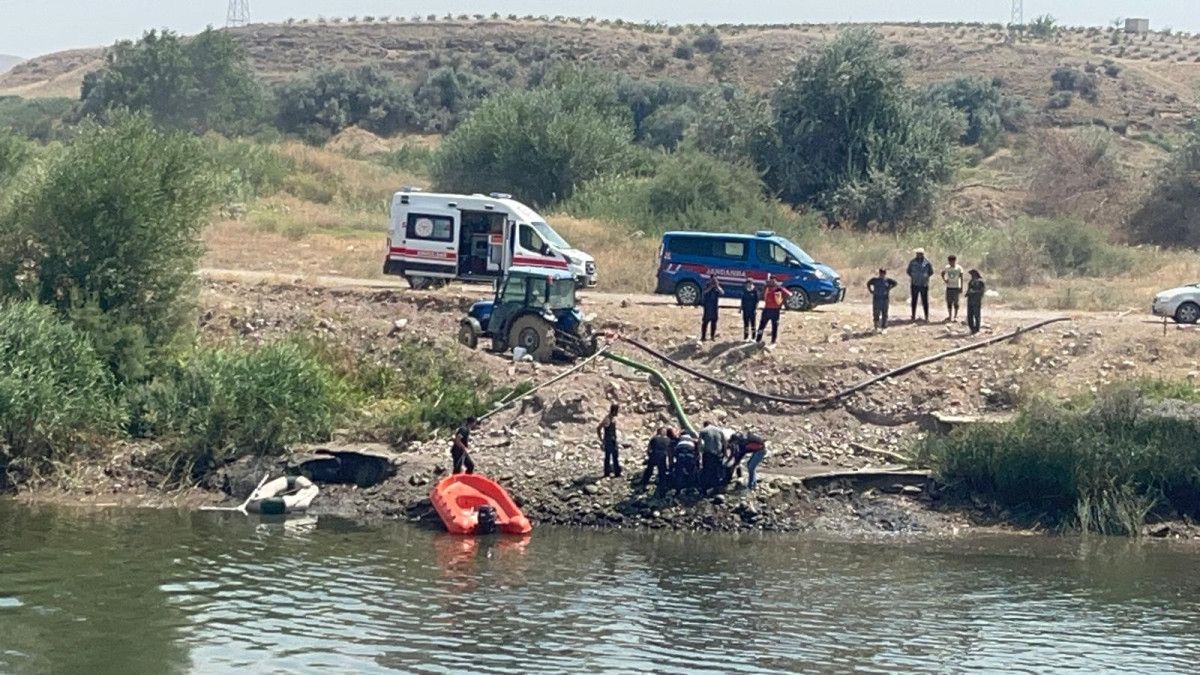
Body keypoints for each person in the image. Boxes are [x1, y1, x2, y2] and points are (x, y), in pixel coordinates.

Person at [755, 277, 792, 345]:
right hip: (767, 309)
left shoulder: (778, 288)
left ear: (776, 282)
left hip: (775, 310)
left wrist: (782, 301)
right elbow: (761, 296)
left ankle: (773, 341)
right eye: (770, 281)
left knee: (774, 327)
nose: (772, 282)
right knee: (761, 326)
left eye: (773, 281)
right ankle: (758, 339)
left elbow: (789, 294)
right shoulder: (767, 288)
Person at [641, 428, 672, 495]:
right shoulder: (668, 440)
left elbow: (649, 449)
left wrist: (649, 456)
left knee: (649, 470)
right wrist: (670, 463)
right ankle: (662, 491)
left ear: (658, 432)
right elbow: (669, 453)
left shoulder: (654, 438)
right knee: (662, 474)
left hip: (654, 455)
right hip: (662, 457)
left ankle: (644, 485)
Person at [906, 248, 934, 322]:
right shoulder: (912, 262)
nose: (918, 255)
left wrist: (925, 277)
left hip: (924, 284)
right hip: (914, 284)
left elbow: (931, 272)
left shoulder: (927, 262)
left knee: (925, 301)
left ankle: (926, 317)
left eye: (920, 253)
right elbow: (908, 271)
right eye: (917, 253)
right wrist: (914, 276)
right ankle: (913, 316)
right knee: (914, 300)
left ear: (923, 254)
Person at [698, 421, 726, 493]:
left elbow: (699, 444)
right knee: (717, 471)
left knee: (707, 470)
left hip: (708, 454)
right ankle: (716, 488)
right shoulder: (719, 430)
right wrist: (725, 453)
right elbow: (724, 442)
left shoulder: (703, 431)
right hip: (718, 454)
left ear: (705, 425)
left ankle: (705, 489)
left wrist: (699, 454)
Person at [597, 403, 621, 478]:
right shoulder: (607, 419)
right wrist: (601, 439)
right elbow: (598, 428)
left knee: (614, 456)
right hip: (608, 441)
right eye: (617, 411)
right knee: (609, 457)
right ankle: (608, 473)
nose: (617, 413)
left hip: (613, 440)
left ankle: (615, 473)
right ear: (614, 411)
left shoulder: (612, 418)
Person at [941, 255, 965, 323]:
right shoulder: (947, 267)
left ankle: (955, 316)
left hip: (956, 287)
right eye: (950, 262)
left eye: (952, 261)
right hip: (949, 287)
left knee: (956, 302)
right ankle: (950, 316)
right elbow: (942, 273)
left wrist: (961, 287)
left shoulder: (959, 268)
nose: (951, 263)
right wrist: (945, 280)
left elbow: (961, 278)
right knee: (949, 302)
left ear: (955, 261)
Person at [700, 275, 723, 341]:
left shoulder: (717, 287)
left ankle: (712, 336)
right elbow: (704, 292)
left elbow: (722, 292)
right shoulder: (707, 285)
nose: (713, 281)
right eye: (712, 279)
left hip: (714, 307)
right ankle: (703, 337)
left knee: (714, 322)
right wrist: (710, 287)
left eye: (715, 280)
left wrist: (717, 286)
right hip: (707, 307)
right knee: (705, 322)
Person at [966, 269, 986, 335]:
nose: (972, 276)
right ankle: (972, 328)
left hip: (976, 300)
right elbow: (968, 290)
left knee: (976, 315)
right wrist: (968, 293)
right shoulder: (970, 282)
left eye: (973, 274)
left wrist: (974, 292)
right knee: (969, 315)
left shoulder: (980, 282)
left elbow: (981, 292)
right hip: (970, 300)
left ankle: (977, 329)